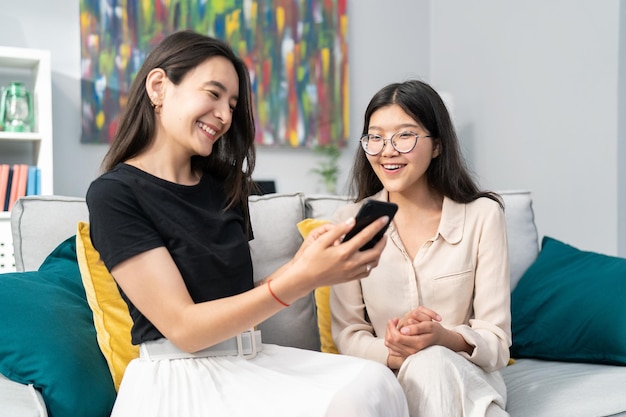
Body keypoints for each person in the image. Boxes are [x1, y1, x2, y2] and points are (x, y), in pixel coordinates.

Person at [86, 30, 409, 417]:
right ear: (159, 86)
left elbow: (237, 297)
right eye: (213, 93)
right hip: (179, 376)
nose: (224, 115)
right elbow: (185, 327)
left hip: (250, 358)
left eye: (233, 103)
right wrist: (299, 279)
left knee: (374, 382)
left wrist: (307, 263)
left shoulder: (226, 184)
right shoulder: (115, 194)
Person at [330, 80, 511, 417]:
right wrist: (400, 353)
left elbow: (497, 342)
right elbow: (349, 334)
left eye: (404, 135)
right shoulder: (349, 222)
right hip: (388, 378)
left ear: (438, 145)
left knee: (433, 363)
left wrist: (443, 338)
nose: (387, 150)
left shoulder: (482, 216)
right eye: (376, 137)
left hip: (464, 377)